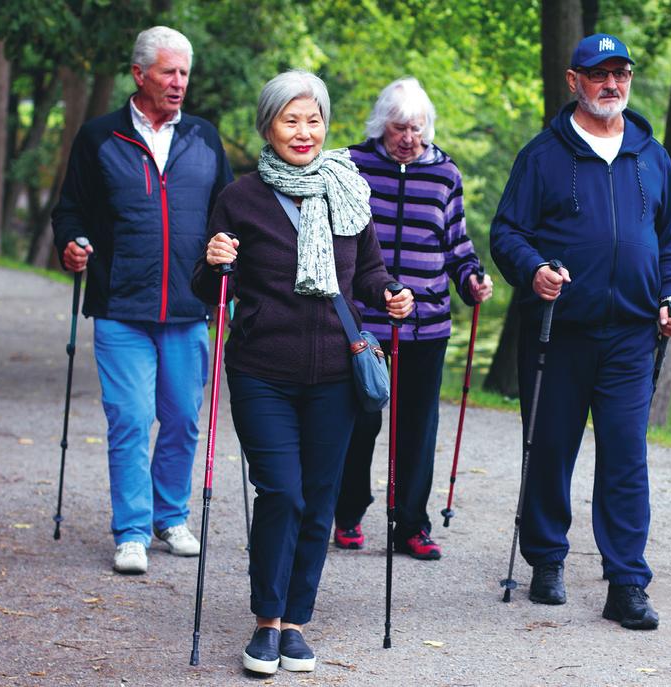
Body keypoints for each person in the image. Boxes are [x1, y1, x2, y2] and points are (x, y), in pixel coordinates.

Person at [190, 70, 413, 674]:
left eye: (313, 119)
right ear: (268, 126)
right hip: (263, 368)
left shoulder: (348, 189)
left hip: (336, 375)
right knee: (282, 492)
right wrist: (214, 262)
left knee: (318, 499)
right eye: (291, 120)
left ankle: (295, 622)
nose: (304, 131)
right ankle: (265, 621)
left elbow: (366, 274)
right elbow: (208, 288)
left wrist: (393, 292)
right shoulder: (240, 198)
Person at [489, 33, 671, 630]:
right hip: (560, 331)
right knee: (551, 448)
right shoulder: (542, 156)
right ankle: (546, 560)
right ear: (574, 81)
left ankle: (626, 582)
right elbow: (506, 234)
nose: (612, 84)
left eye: (621, 73)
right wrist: (534, 271)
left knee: (627, 457)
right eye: (599, 74)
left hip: (632, 333)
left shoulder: (651, 155)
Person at [52, 26, 233, 575]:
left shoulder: (203, 137)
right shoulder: (99, 137)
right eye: (168, 72)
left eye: (184, 73)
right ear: (139, 75)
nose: (179, 83)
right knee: (130, 418)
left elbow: (227, 211)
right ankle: (131, 530)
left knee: (180, 419)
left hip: (187, 306)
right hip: (120, 307)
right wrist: (73, 244)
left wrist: (231, 255)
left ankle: (170, 516)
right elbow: (70, 210)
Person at [332, 77, 493, 560]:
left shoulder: (445, 174)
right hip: (364, 324)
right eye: (400, 128)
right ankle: (348, 511)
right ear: (383, 125)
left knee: (417, 431)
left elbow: (457, 246)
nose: (409, 139)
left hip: (426, 327)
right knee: (358, 424)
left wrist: (472, 281)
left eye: (417, 130)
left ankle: (410, 527)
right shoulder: (351, 166)